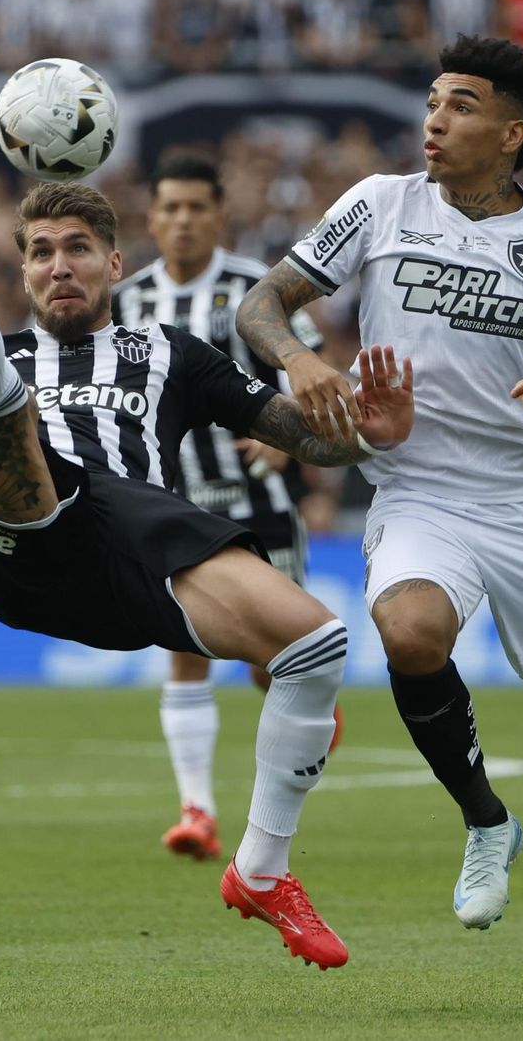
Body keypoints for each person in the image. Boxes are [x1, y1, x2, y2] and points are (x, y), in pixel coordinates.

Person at [0, 92, 415, 970]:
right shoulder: (5, 357)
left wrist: (365, 431)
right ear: (21, 273)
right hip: (19, 549)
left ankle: (263, 869)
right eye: (40, 253)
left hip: (136, 563)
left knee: (318, 644)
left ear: (116, 261)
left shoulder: (175, 355)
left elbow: (303, 436)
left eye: (77, 249)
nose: (58, 267)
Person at [236, 35, 523, 1008]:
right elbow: (261, 304)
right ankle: (483, 817)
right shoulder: (379, 204)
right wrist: (302, 363)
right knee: (408, 629)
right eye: (432, 101)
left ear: (511, 133)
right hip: (418, 491)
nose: (435, 118)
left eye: (461, 105)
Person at [114, 154, 343, 863]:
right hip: (171, 502)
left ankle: (292, 753)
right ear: (152, 218)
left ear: (220, 215)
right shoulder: (123, 302)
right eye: (170, 207)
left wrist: (289, 447)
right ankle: (198, 811)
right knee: (183, 650)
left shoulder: (256, 290)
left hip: (259, 500)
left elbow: (311, 377)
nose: (182, 220)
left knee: (274, 664)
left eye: (196, 207)